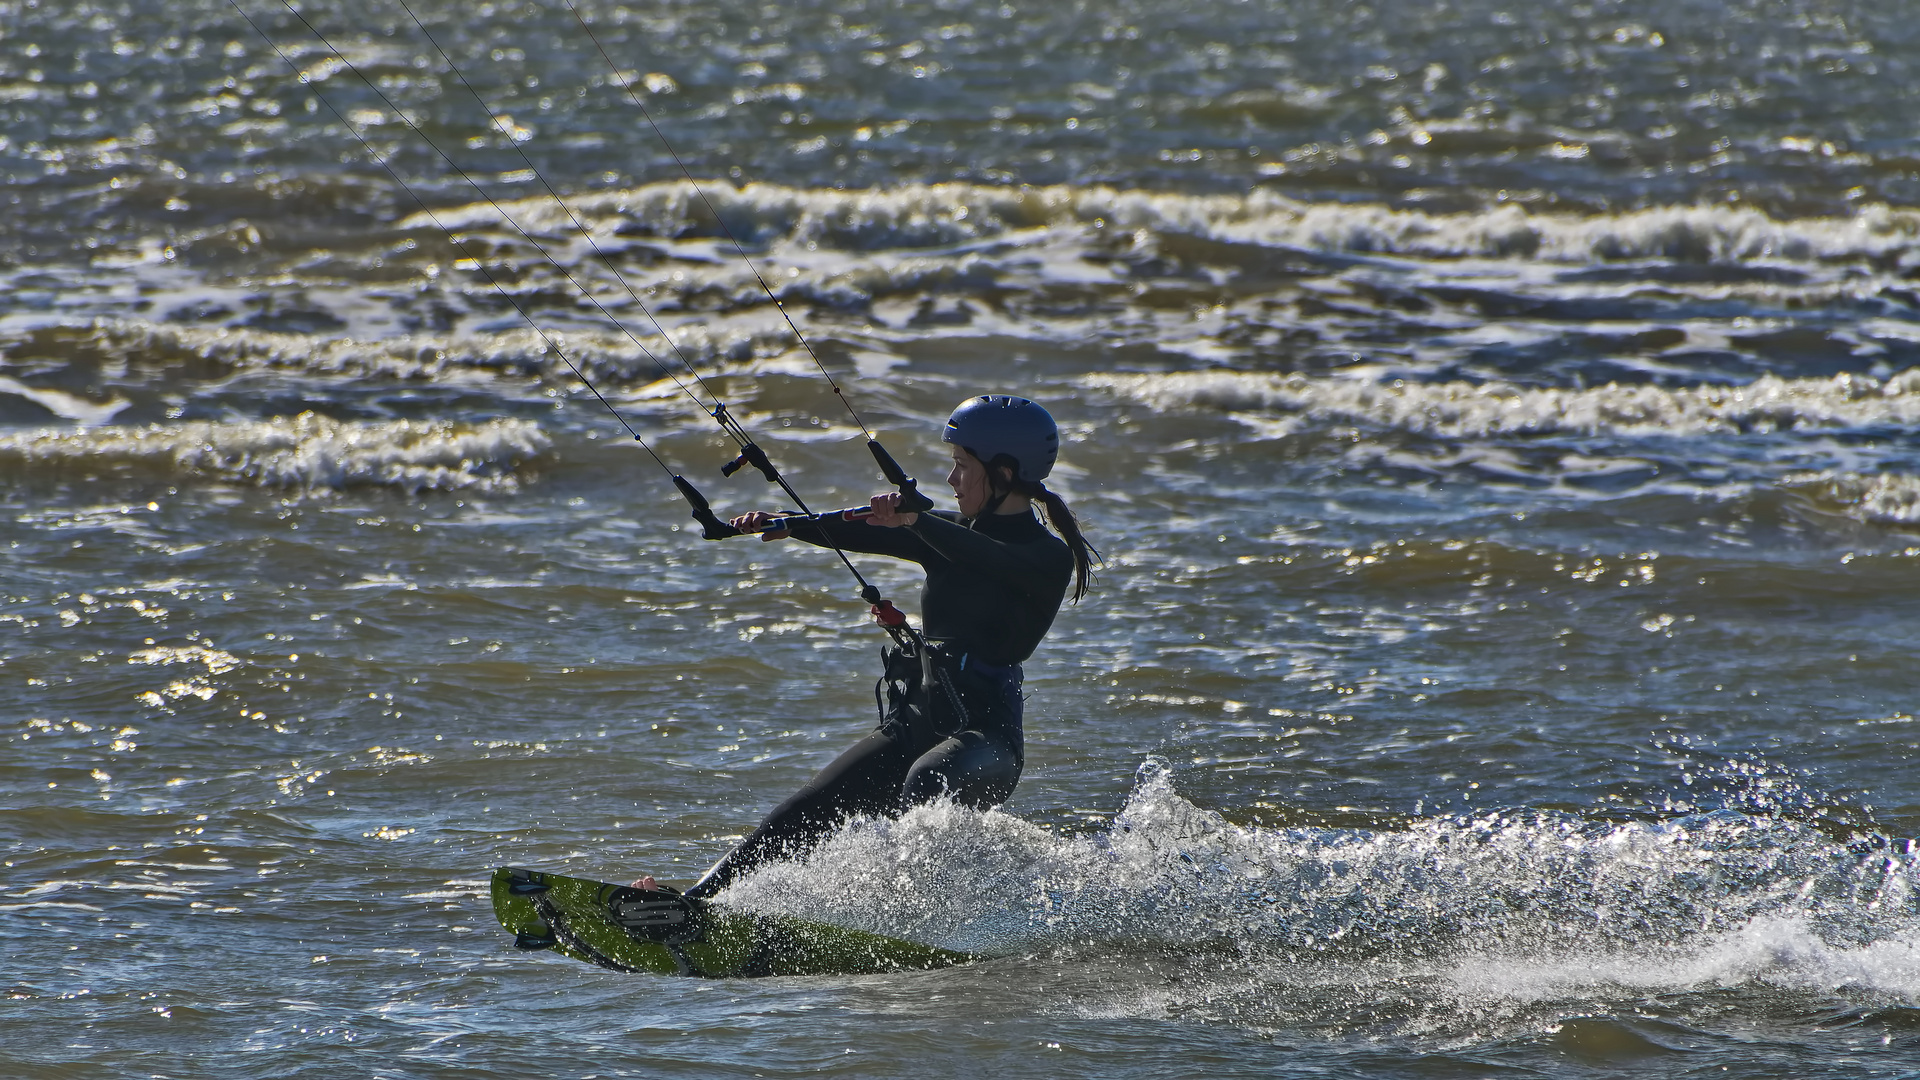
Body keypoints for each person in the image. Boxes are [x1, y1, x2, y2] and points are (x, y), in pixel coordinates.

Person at [661, 395, 1097, 900]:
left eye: (961, 467)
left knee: (929, 782)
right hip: (914, 720)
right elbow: (857, 529)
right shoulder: (946, 534)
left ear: (1002, 472)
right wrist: (784, 522)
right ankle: (695, 906)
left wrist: (915, 522)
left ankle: (924, 920)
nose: (952, 481)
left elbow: (986, 557)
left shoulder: (1045, 557)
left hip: (984, 740)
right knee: (805, 811)